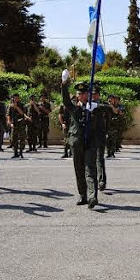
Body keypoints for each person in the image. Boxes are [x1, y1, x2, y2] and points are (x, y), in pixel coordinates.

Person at [61, 73, 106, 209]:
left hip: (90, 142)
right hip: (76, 142)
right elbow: (65, 100)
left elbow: (107, 109)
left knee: (90, 169)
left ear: (88, 94)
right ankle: (83, 195)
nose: (81, 95)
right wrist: (64, 84)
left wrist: (95, 108)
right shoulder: (74, 107)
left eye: (84, 93)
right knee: (78, 169)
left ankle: (93, 196)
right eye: (79, 93)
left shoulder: (94, 107)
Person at [8, 93, 28, 158]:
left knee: (22, 138)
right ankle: (15, 152)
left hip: (21, 123)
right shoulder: (10, 106)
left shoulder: (21, 105)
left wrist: (16, 107)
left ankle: (21, 152)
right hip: (14, 123)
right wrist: (10, 122)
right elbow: (8, 115)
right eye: (14, 98)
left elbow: (22, 113)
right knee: (13, 138)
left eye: (17, 98)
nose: (15, 99)